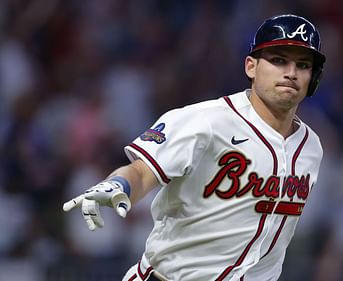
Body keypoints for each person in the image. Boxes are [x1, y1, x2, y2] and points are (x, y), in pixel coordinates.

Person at [63, 14, 326, 281]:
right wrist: (119, 185)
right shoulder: (207, 120)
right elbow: (142, 172)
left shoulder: (311, 147)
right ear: (251, 67)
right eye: (278, 60)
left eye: (303, 65)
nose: (291, 73)